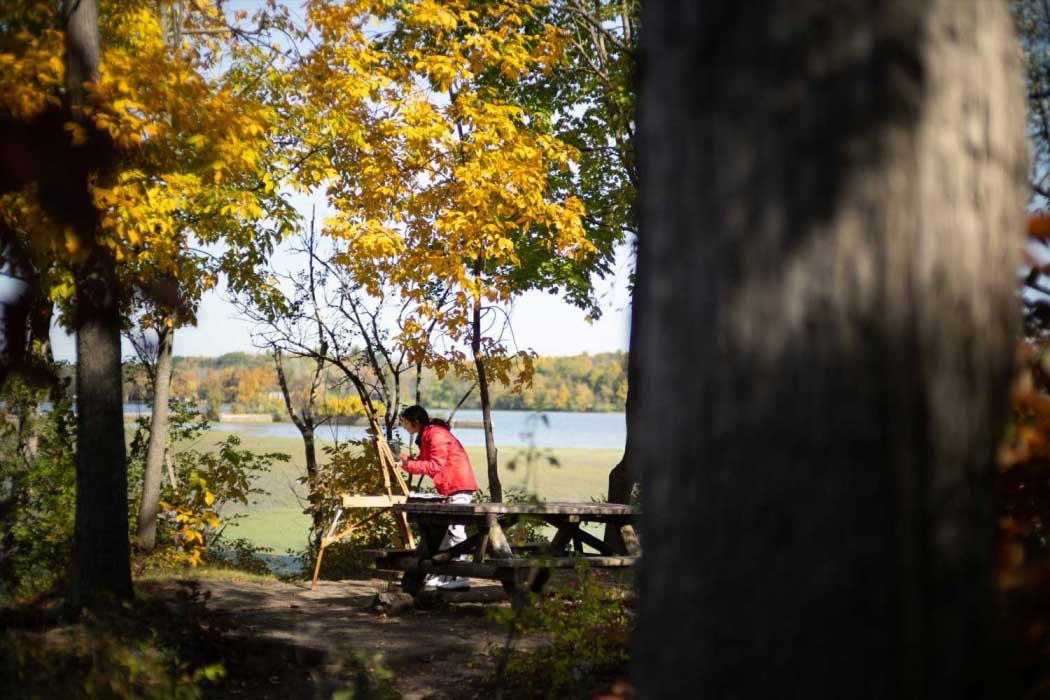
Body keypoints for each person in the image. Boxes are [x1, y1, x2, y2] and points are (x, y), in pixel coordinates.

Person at [398, 405, 479, 591]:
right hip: (450, 486)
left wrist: (404, 461)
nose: (404, 427)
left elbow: (434, 466)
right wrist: (403, 460)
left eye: (405, 423)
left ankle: (460, 576)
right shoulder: (427, 435)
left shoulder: (435, 435)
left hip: (458, 484)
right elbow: (422, 463)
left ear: (416, 421)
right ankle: (446, 575)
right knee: (444, 534)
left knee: (455, 531)